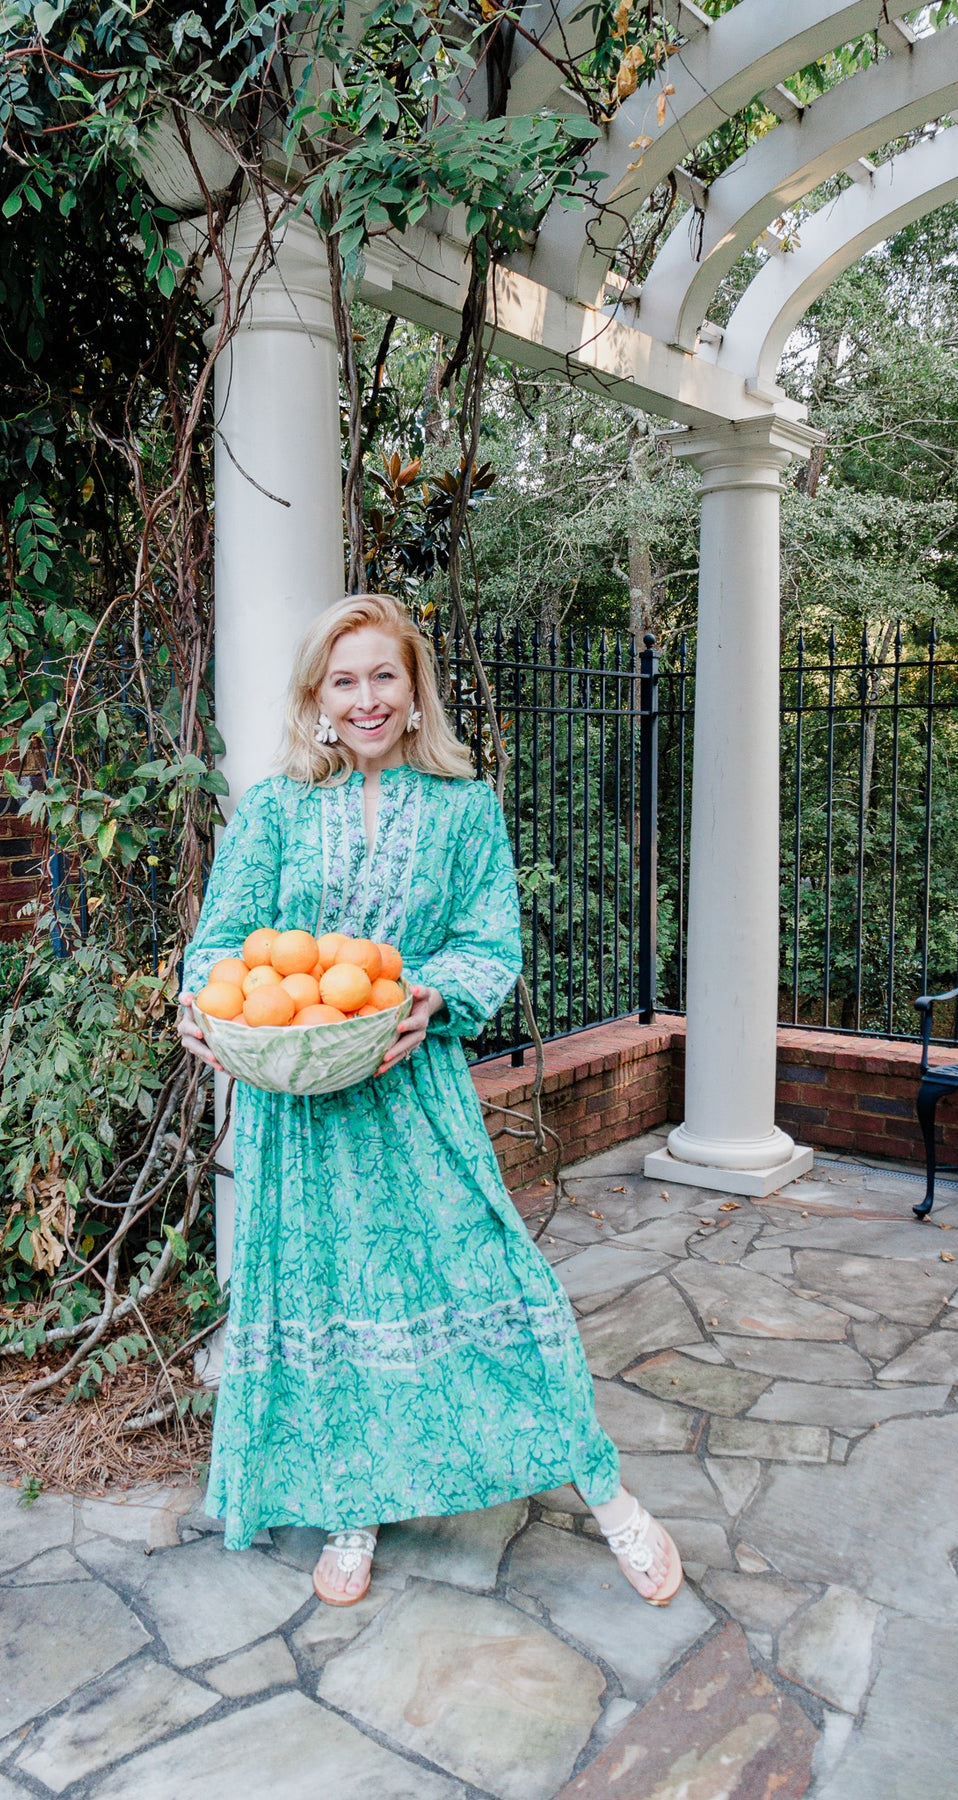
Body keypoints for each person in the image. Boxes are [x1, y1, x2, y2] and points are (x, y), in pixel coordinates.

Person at [177, 594, 682, 1608]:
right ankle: (352, 1510)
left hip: (413, 1092)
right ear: (319, 696)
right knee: (328, 1300)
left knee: (499, 1283)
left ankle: (609, 1493)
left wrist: (437, 991)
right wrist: (201, 1005)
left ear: (415, 692)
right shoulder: (277, 808)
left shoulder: (465, 809)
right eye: (344, 679)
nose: (365, 699)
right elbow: (222, 942)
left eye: (384, 677)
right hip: (301, 1113)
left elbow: (491, 942)